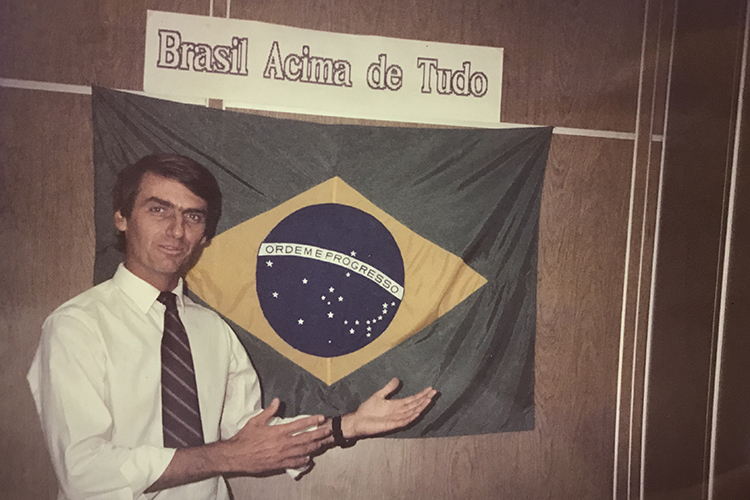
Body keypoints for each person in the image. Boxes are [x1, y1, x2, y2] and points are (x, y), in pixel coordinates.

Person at [28, 153, 436, 500]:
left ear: (205, 235)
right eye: (158, 209)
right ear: (121, 217)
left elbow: (250, 435)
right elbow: (82, 470)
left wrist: (347, 426)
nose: (176, 230)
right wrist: (226, 456)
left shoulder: (211, 330)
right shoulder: (76, 326)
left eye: (193, 216)